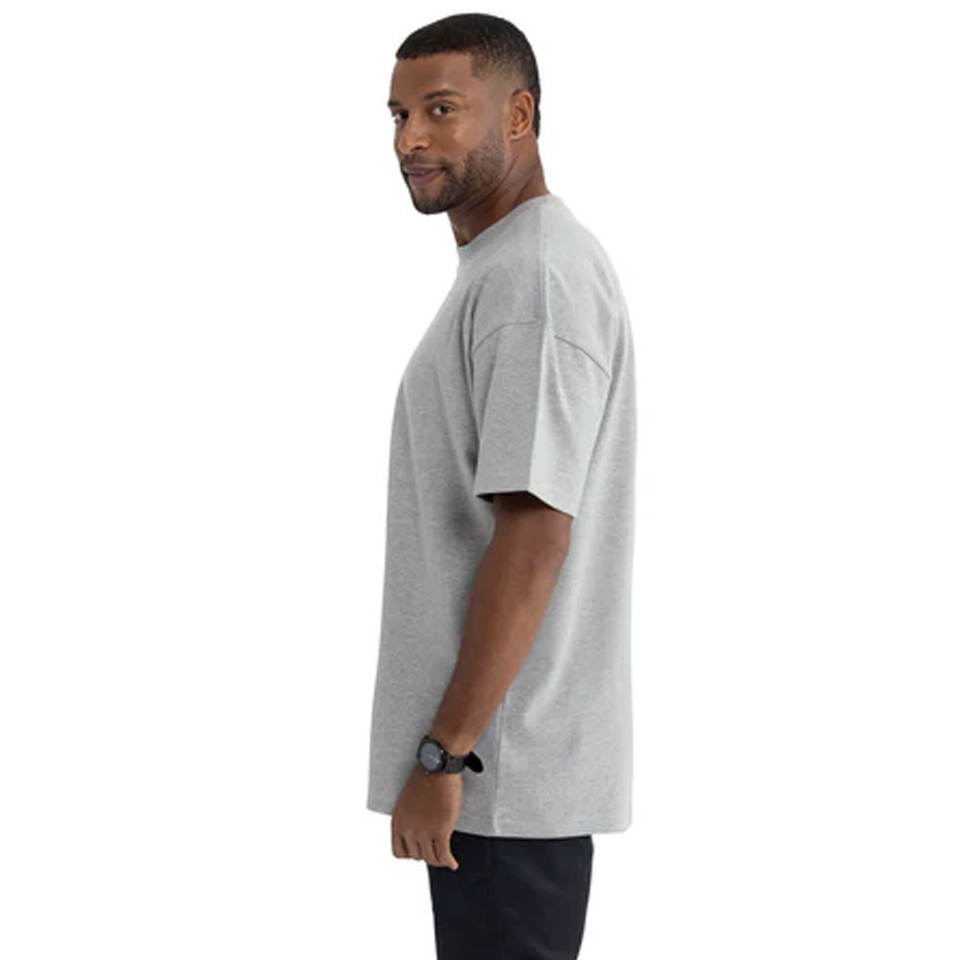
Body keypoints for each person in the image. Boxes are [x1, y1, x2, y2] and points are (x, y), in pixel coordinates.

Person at [366, 13, 637, 959]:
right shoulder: (508, 268)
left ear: (519, 115)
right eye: (398, 114)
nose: (411, 138)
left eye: (441, 109)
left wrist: (445, 753)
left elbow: (534, 536)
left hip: (501, 771)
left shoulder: (535, 279)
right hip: (498, 775)